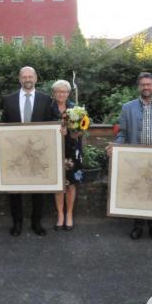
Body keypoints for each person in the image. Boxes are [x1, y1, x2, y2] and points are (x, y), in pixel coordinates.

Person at [109, 71, 152, 241]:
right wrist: (115, 146)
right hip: (136, 158)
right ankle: (138, 225)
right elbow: (123, 133)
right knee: (140, 190)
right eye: (143, 84)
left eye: (149, 84)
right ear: (138, 87)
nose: (146, 87)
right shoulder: (128, 107)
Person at [0, 66, 56, 237]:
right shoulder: (9, 99)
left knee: (38, 188)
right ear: (20, 79)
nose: (27, 79)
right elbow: (3, 124)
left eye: (30, 76)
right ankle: (17, 223)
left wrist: (61, 131)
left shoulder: (46, 100)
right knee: (15, 189)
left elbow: (52, 124)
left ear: (35, 78)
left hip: (37, 152)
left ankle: (37, 223)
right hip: (15, 152)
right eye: (24, 76)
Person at [50, 79, 84, 231]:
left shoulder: (75, 108)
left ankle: (69, 214)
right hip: (54, 151)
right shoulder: (47, 108)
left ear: (68, 93)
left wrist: (72, 132)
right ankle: (60, 215)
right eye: (58, 91)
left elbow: (82, 130)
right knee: (58, 185)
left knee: (71, 185)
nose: (61, 94)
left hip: (72, 152)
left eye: (64, 91)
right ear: (54, 93)